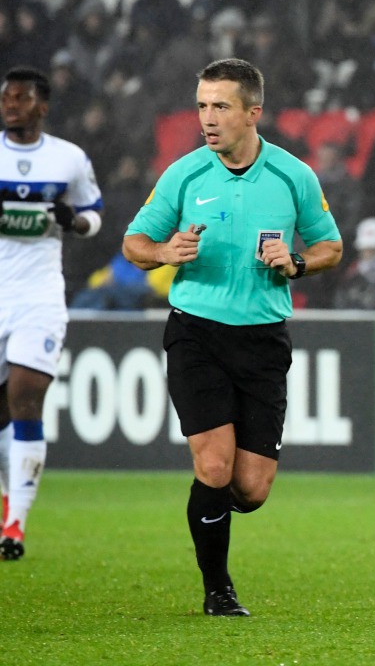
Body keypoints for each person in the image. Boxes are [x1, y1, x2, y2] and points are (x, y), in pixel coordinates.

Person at [122, 59, 343, 615]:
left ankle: (211, 503)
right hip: (196, 333)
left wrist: (295, 262)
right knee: (215, 467)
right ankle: (217, 589)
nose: (207, 118)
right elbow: (134, 242)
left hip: (263, 340)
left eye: (220, 106)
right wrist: (164, 253)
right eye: (201, 105)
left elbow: (330, 247)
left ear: (253, 112)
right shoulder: (184, 175)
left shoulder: (293, 176)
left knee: (251, 488)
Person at [0, 66, 104, 561]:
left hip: (40, 296)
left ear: (42, 106)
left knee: (26, 395)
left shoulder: (68, 158)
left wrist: (74, 221)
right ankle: (8, 500)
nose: (11, 104)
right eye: (6, 97)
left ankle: (15, 525)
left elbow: (94, 212)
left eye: (22, 98)